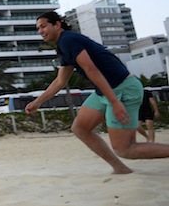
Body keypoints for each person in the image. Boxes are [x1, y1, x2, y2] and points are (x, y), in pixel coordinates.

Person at [25, 11, 169, 173]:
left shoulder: (68, 40)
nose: (40, 31)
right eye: (38, 29)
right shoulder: (63, 45)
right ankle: (120, 169)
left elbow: (90, 68)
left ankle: (123, 165)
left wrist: (114, 102)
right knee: (80, 128)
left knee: (125, 149)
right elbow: (60, 81)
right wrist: (38, 102)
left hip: (123, 88)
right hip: (106, 90)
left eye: (43, 26)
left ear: (57, 25)